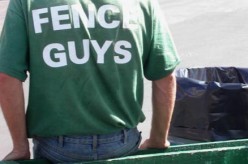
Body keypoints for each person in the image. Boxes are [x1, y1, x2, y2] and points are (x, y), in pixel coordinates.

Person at [0, 0, 180, 163]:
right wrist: (158, 138)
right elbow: (165, 76)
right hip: (121, 143)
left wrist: (20, 146)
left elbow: (6, 77)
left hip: (56, 149)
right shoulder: (142, 3)